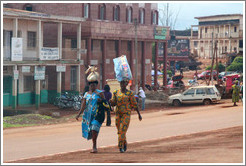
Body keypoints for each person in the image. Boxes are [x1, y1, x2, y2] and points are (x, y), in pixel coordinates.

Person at [76, 66, 106, 153]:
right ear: (89, 86)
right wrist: (79, 114)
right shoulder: (86, 94)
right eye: (91, 85)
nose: (92, 86)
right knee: (91, 130)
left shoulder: (100, 93)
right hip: (88, 116)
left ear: (96, 85)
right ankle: (94, 144)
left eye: (94, 85)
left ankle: (94, 146)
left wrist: (102, 100)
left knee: (94, 129)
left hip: (97, 115)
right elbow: (83, 105)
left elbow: (105, 103)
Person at [110, 79, 142, 153]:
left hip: (126, 114)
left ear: (126, 84)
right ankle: (124, 142)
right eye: (121, 83)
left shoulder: (130, 93)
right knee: (119, 131)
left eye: (124, 83)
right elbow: (114, 103)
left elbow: (135, 104)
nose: (122, 85)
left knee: (122, 130)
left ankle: (120, 146)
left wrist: (139, 114)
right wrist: (111, 102)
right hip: (118, 114)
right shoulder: (116, 92)